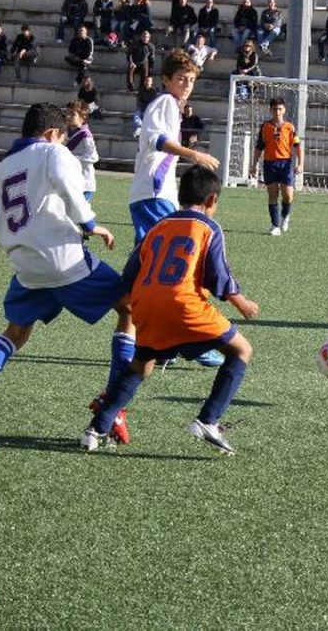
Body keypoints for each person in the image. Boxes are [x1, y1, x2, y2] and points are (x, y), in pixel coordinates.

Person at [0, 102, 134, 441]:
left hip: (27, 268)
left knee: (16, 332)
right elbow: (65, 182)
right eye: (62, 138)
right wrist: (90, 224)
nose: (63, 145)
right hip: (65, 261)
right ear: (50, 134)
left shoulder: (2, 168)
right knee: (131, 307)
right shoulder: (52, 152)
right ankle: (113, 403)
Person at [80, 165, 260, 455]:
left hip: (145, 305)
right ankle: (208, 420)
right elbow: (219, 274)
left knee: (141, 366)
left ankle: (96, 429)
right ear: (212, 201)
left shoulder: (157, 227)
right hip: (183, 305)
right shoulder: (208, 227)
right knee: (242, 351)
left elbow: (131, 271)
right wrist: (240, 302)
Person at [129, 51, 224, 369]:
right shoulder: (166, 103)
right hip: (156, 195)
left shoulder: (171, 106)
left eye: (191, 80)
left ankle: (157, 345)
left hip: (150, 194)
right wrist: (193, 155)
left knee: (147, 272)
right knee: (176, 269)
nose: (186, 85)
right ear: (166, 79)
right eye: (180, 78)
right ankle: (189, 345)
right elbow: (155, 139)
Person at [250, 97, 304, 235]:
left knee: (288, 196)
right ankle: (275, 225)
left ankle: (285, 217)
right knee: (272, 194)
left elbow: (298, 147)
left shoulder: (290, 127)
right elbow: (259, 147)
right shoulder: (265, 126)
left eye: (280, 109)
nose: (277, 112)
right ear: (270, 110)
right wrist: (254, 164)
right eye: (274, 109)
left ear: (284, 110)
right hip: (269, 164)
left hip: (285, 163)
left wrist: (300, 164)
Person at [65, 101, 99, 201]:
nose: (68, 116)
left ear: (82, 116)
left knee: (80, 214)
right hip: (70, 180)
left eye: (72, 114)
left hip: (85, 183)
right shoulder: (65, 132)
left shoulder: (85, 134)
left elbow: (93, 157)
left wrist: (74, 159)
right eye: (67, 113)